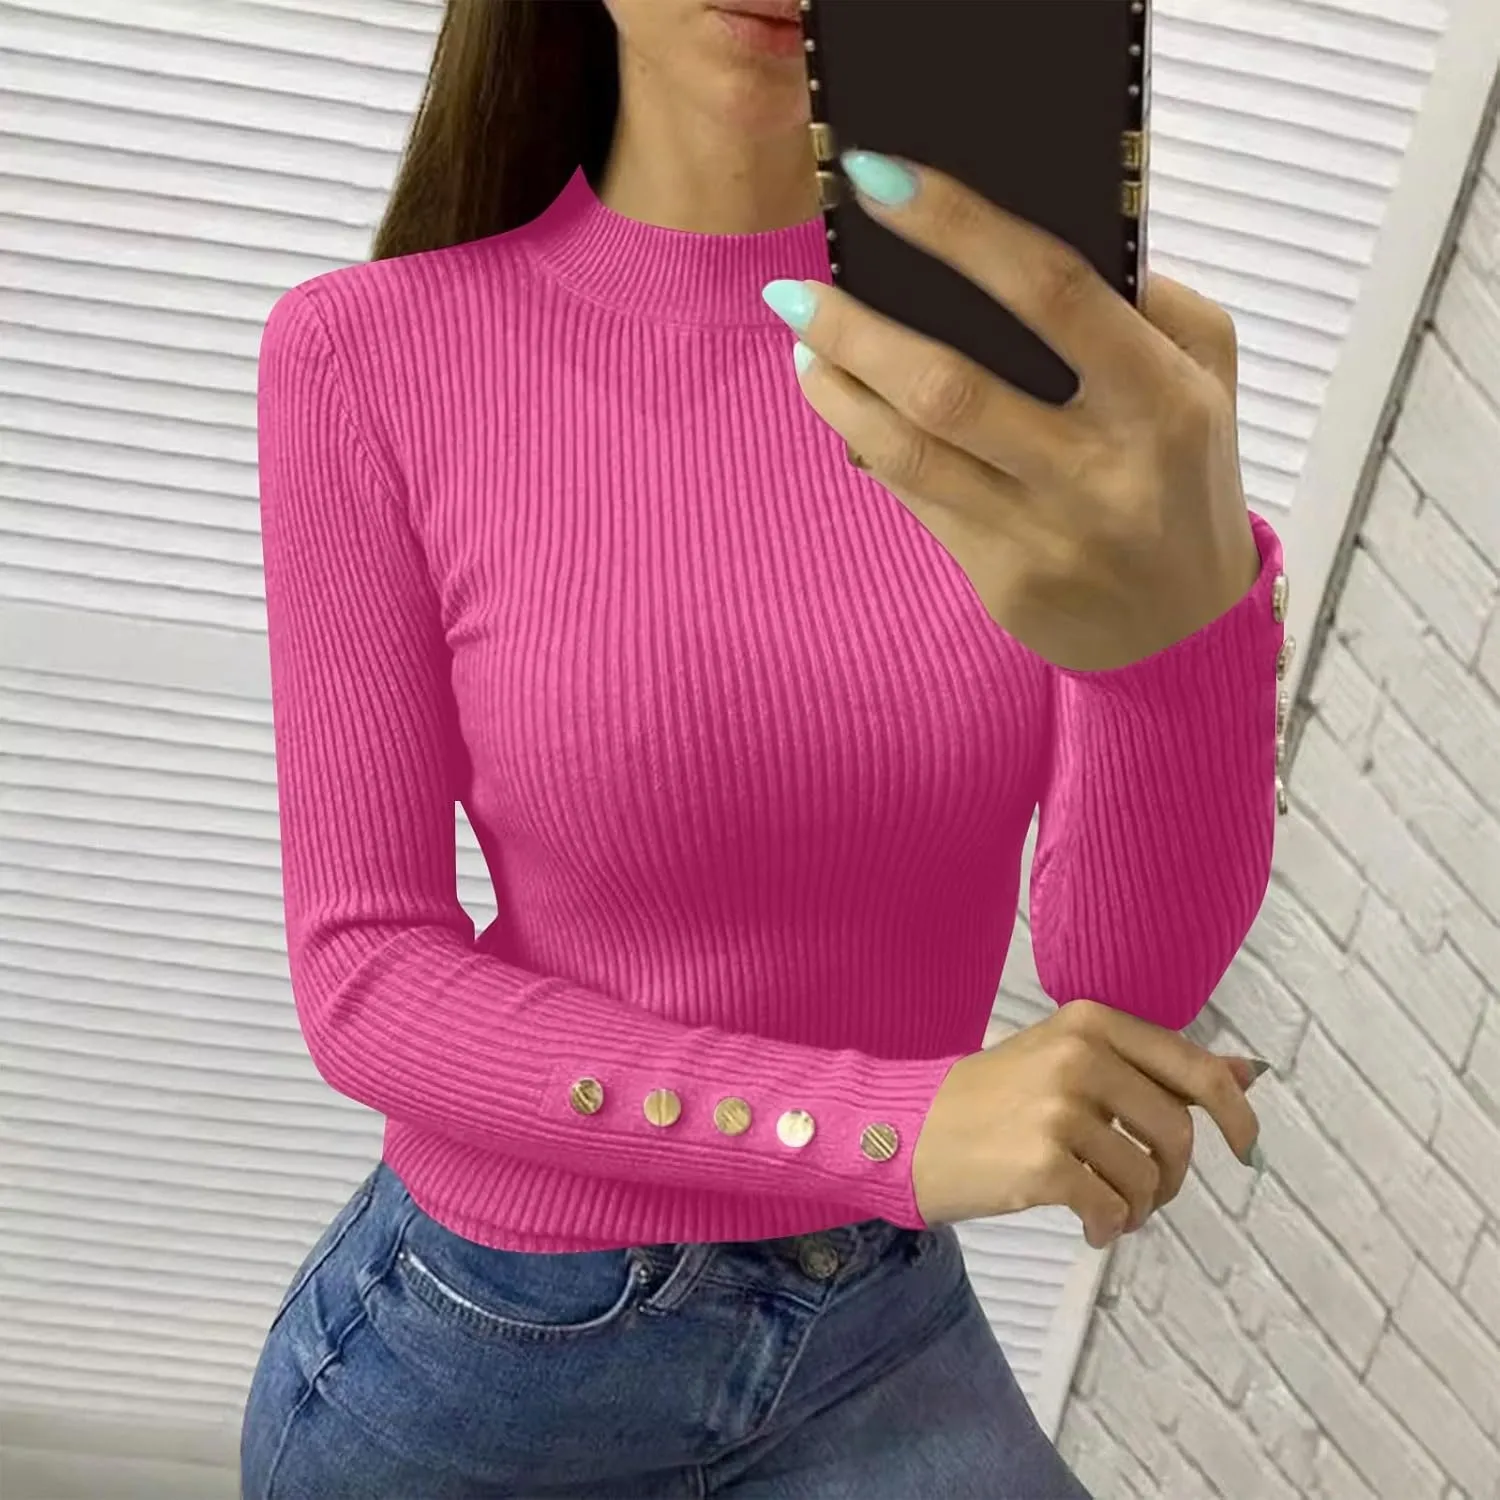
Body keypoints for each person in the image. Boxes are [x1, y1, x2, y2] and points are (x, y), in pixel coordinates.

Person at [239, 1, 1287, 1495]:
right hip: (488, 1352)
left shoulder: (1015, 361)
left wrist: (1184, 629)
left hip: (875, 1325)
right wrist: (879, 1126)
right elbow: (366, 975)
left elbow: (1124, 984)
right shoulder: (366, 354)